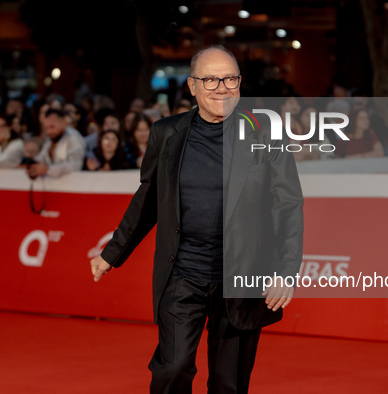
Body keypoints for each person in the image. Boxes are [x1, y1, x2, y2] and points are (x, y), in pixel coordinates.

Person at [90, 45, 303, 393]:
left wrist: (285, 269)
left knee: (229, 383)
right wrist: (112, 253)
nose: (222, 87)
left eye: (230, 78)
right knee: (171, 371)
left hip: (242, 277)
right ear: (192, 86)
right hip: (182, 274)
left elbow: (288, 204)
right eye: (211, 79)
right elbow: (148, 199)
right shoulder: (166, 133)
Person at [26, 108, 86, 178]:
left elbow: (75, 165)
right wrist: (34, 166)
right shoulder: (51, 138)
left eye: (52, 127)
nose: (49, 132)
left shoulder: (74, 138)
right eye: (47, 128)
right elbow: (42, 156)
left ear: (64, 122)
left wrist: (48, 169)